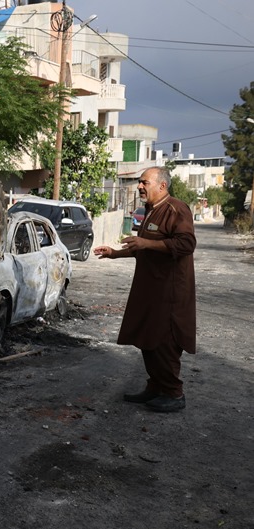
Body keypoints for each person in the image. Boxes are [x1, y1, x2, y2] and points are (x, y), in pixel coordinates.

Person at [93, 167, 196, 413]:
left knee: (165, 341)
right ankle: (156, 387)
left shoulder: (176, 209)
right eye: (139, 182)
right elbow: (143, 247)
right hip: (149, 290)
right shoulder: (151, 210)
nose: (139, 186)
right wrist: (115, 254)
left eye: (144, 182)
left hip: (169, 293)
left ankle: (173, 393)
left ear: (162, 186)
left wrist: (146, 242)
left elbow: (187, 243)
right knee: (147, 338)